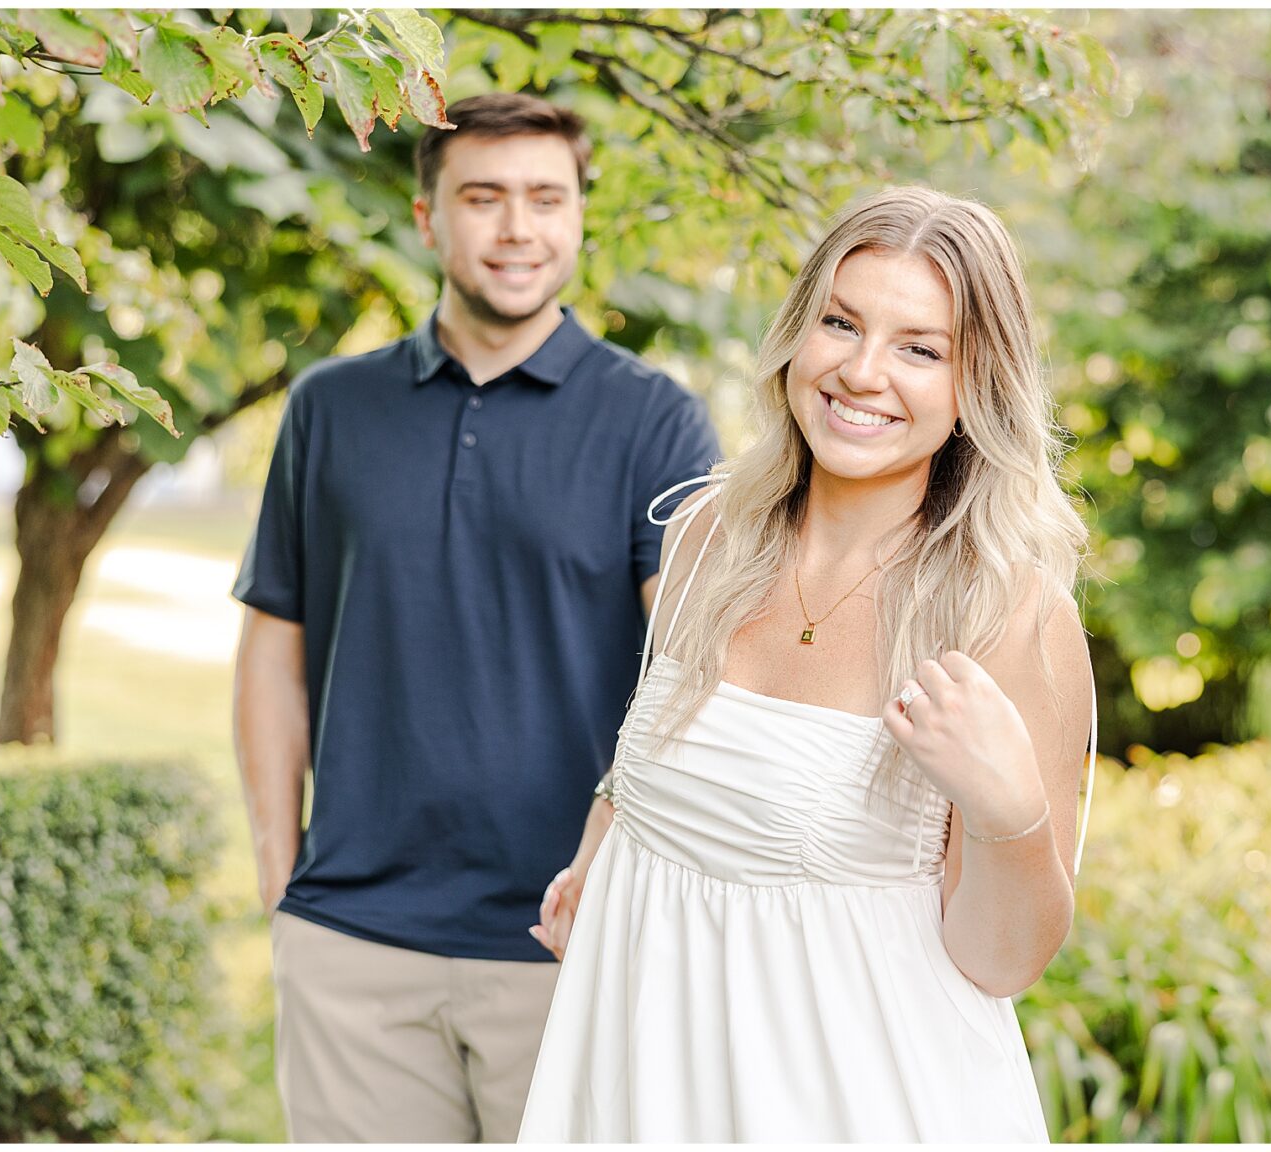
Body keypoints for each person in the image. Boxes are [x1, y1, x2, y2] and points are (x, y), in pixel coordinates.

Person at [518, 186, 1096, 1142]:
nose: (862, 371)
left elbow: (1002, 962)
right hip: (644, 1071)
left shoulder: (1005, 613)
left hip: (856, 1096)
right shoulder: (709, 533)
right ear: (798, 332)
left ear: (976, 384)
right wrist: (596, 861)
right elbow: (651, 738)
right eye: (840, 322)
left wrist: (1009, 812)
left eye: (920, 347)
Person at [230, 93, 720, 1142]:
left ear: (580, 214)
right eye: (483, 197)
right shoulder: (329, 409)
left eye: (546, 198)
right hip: (354, 944)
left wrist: (609, 871)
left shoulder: (656, 423)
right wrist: (283, 875)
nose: (517, 229)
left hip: (567, 944)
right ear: (425, 218)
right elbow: (275, 649)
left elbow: (693, 670)